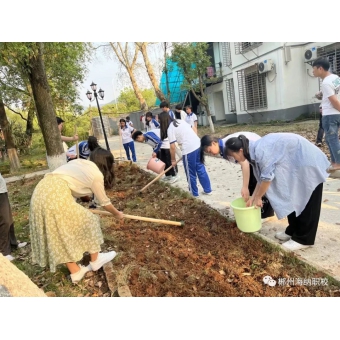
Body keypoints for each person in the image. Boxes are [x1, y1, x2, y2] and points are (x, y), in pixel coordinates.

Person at [29, 148, 123, 283]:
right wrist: (117, 214)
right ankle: (96, 260)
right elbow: (105, 203)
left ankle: (76, 272)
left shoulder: (81, 162)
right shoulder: (96, 175)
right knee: (90, 220)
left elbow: (74, 184)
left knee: (59, 232)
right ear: (107, 164)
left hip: (41, 192)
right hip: (54, 194)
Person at [224, 133, 330, 251]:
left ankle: (304, 239)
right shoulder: (252, 152)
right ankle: (293, 230)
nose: (235, 160)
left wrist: (258, 197)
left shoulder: (261, 152)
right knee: (292, 197)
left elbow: (266, 179)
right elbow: (260, 178)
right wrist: (253, 197)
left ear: (240, 150)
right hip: (296, 164)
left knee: (307, 200)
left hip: (308, 163)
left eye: (233, 156)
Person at [200, 132, 275, 220]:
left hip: (258, 154)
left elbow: (245, 164)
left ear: (213, 143)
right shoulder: (223, 148)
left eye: (209, 150)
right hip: (251, 157)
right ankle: (256, 210)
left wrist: (245, 187)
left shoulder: (227, 146)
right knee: (253, 185)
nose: (210, 154)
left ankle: (265, 215)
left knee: (259, 184)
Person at [159, 111, 212, 197]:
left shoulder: (170, 129)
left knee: (190, 172)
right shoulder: (180, 121)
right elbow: (194, 128)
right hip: (198, 144)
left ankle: (194, 193)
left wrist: (173, 160)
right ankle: (208, 190)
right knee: (200, 168)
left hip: (189, 150)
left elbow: (172, 147)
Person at [312, 58, 340, 171]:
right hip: (336, 114)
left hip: (330, 115)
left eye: (314, 69)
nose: (313, 72)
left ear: (320, 68)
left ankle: (338, 163)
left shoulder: (326, 82)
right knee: (329, 139)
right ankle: (334, 162)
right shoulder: (335, 78)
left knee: (332, 138)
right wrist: (321, 94)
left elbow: (333, 100)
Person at [0, 173, 27, 262]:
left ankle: (13, 243)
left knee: (9, 219)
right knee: (4, 221)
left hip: (2, 190)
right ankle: (5, 252)